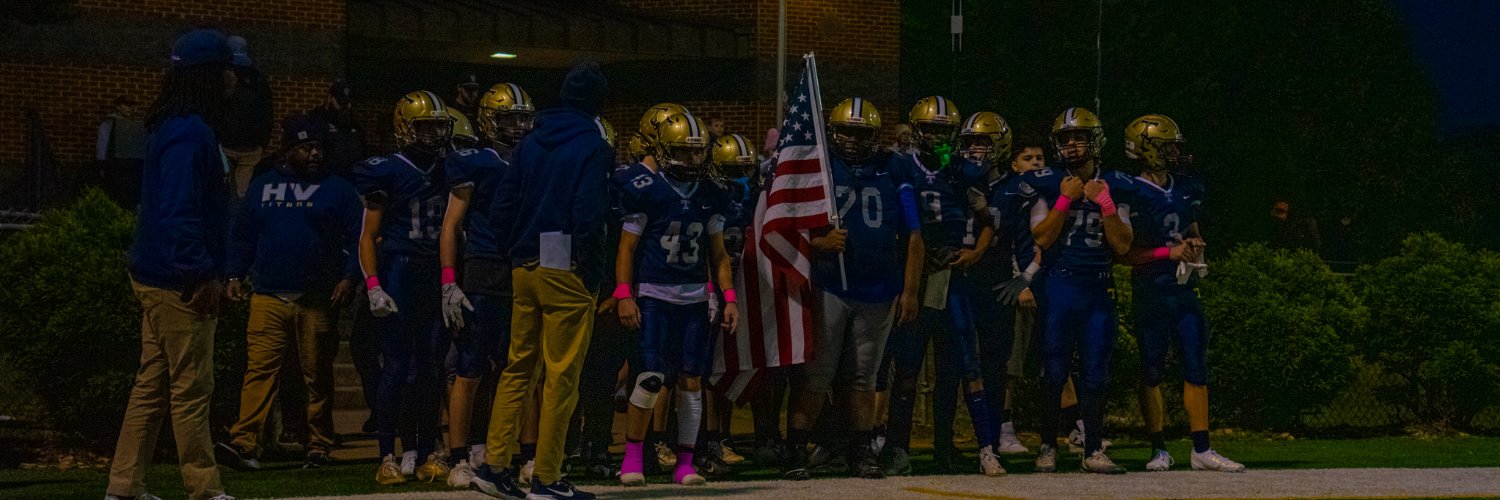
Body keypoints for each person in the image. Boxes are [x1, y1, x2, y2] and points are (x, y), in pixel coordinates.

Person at [469, 61, 611, 500]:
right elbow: (589, 216)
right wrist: (591, 273)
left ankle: (493, 465)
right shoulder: (593, 144)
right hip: (564, 264)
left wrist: (518, 247)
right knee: (561, 376)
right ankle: (546, 477)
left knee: (518, 369)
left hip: (524, 263)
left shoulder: (529, 142)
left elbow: (501, 206)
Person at [106, 28, 236, 500]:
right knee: (191, 388)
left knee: (154, 383)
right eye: (226, 70)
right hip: (179, 281)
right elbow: (181, 211)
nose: (233, 79)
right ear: (206, 76)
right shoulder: (190, 131)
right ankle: (203, 489)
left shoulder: (176, 125)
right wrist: (202, 271)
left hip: (159, 275)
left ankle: (123, 486)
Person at [782, 98, 923, 481]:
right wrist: (818, 245)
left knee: (865, 377)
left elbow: (913, 233)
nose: (851, 140)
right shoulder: (820, 167)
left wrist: (910, 290)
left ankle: (862, 450)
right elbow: (785, 225)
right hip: (831, 284)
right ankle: (796, 447)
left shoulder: (895, 167)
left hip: (879, 287)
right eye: (845, 131)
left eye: (861, 133)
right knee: (817, 375)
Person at [215, 115, 362, 471]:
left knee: (318, 376)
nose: (314, 153)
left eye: (318, 147)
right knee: (259, 373)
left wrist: (349, 277)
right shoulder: (264, 185)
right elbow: (243, 233)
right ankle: (245, 442)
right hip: (268, 296)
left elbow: (358, 237)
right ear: (288, 150)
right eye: (306, 147)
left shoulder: (338, 189)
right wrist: (234, 272)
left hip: (316, 298)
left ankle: (318, 443)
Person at [612, 111, 739, 488]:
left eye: (698, 153)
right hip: (654, 294)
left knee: (691, 381)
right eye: (684, 152)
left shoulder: (711, 193)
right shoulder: (646, 187)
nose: (692, 161)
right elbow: (626, 249)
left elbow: (718, 255)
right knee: (650, 377)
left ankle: (684, 463)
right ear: (665, 151)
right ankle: (632, 457)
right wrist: (624, 293)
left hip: (695, 299)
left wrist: (728, 297)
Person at [882, 96, 1001, 477]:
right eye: (930, 128)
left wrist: (975, 254)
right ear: (917, 130)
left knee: (961, 367)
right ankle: (898, 447)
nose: (937, 137)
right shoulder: (901, 166)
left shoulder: (963, 172)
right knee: (907, 368)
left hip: (952, 276)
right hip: (915, 273)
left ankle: (965, 448)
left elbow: (987, 223)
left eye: (943, 130)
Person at [1120, 114, 1245, 473]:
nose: (1173, 153)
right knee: (1152, 369)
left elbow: (1192, 229)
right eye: (1165, 146)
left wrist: (1195, 246)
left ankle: (1202, 449)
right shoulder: (1130, 190)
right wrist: (1166, 253)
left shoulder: (1187, 187)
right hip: (1151, 288)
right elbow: (1122, 251)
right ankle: (1158, 448)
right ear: (1145, 150)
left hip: (1185, 288)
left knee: (1196, 365)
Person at [1021, 107, 1136, 474]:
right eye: (1065, 138)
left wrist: (1104, 204)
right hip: (1061, 284)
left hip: (1098, 286)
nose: (1072, 144)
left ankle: (1091, 449)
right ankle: (1046, 445)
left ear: (1095, 141)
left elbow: (1122, 244)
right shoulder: (1049, 181)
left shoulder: (1113, 185)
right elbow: (1041, 235)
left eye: (1079, 137)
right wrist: (1065, 199)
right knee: (1054, 371)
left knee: (1096, 372)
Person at [437, 82, 535, 489]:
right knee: (470, 367)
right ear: (489, 121)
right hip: (484, 268)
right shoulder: (475, 161)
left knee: (522, 369)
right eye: (509, 119)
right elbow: (451, 224)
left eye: (522, 119)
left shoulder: (535, 160)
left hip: (525, 266)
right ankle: (459, 457)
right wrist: (449, 281)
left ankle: (527, 456)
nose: (517, 127)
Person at [356, 91, 454, 486]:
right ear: (404, 129)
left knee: (430, 366)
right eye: (424, 126)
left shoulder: (450, 167)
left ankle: (427, 449)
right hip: (398, 269)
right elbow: (368, 236)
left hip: (433, 270)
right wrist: (374, 284)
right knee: (397, 366)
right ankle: (387, 454)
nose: (432, 135)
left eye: (437, 126)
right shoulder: (385, 170)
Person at [994, 135, 1047, 455]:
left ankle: (1071, 426)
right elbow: (1010, 244)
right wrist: (1021, 283)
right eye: (1028, 158)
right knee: (1011, 365)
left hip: (1048, 285)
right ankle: (1004, 429)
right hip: (1023, 287)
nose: (1037, 163)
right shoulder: (1013, 195)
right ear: (1014, 164)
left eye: (1040, 157)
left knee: (1055, 361)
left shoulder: (1046, 192)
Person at [221, 35, 275, 200]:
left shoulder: (256, 80)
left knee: (237, 196)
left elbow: (266, 113)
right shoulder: (254, 80)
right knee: (229, 195)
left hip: (247, 149)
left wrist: (261, 145)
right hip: (232, 147)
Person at [305, 80, 366, 179]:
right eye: (342, 103)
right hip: (325, 181)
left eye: (348, 102)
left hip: (350, 182)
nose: (346, 107)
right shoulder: (316, 121)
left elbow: (362, 152)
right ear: (330, 98)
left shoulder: (354, 125)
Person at [97, 95, 148, 208]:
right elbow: (102, 146)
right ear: (118, 107)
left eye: (131, 105)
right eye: (126, 105)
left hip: (131, 165)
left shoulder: (134, 124)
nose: (130, 108)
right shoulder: (108, 124)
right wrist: (102, 165)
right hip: (115, 165)